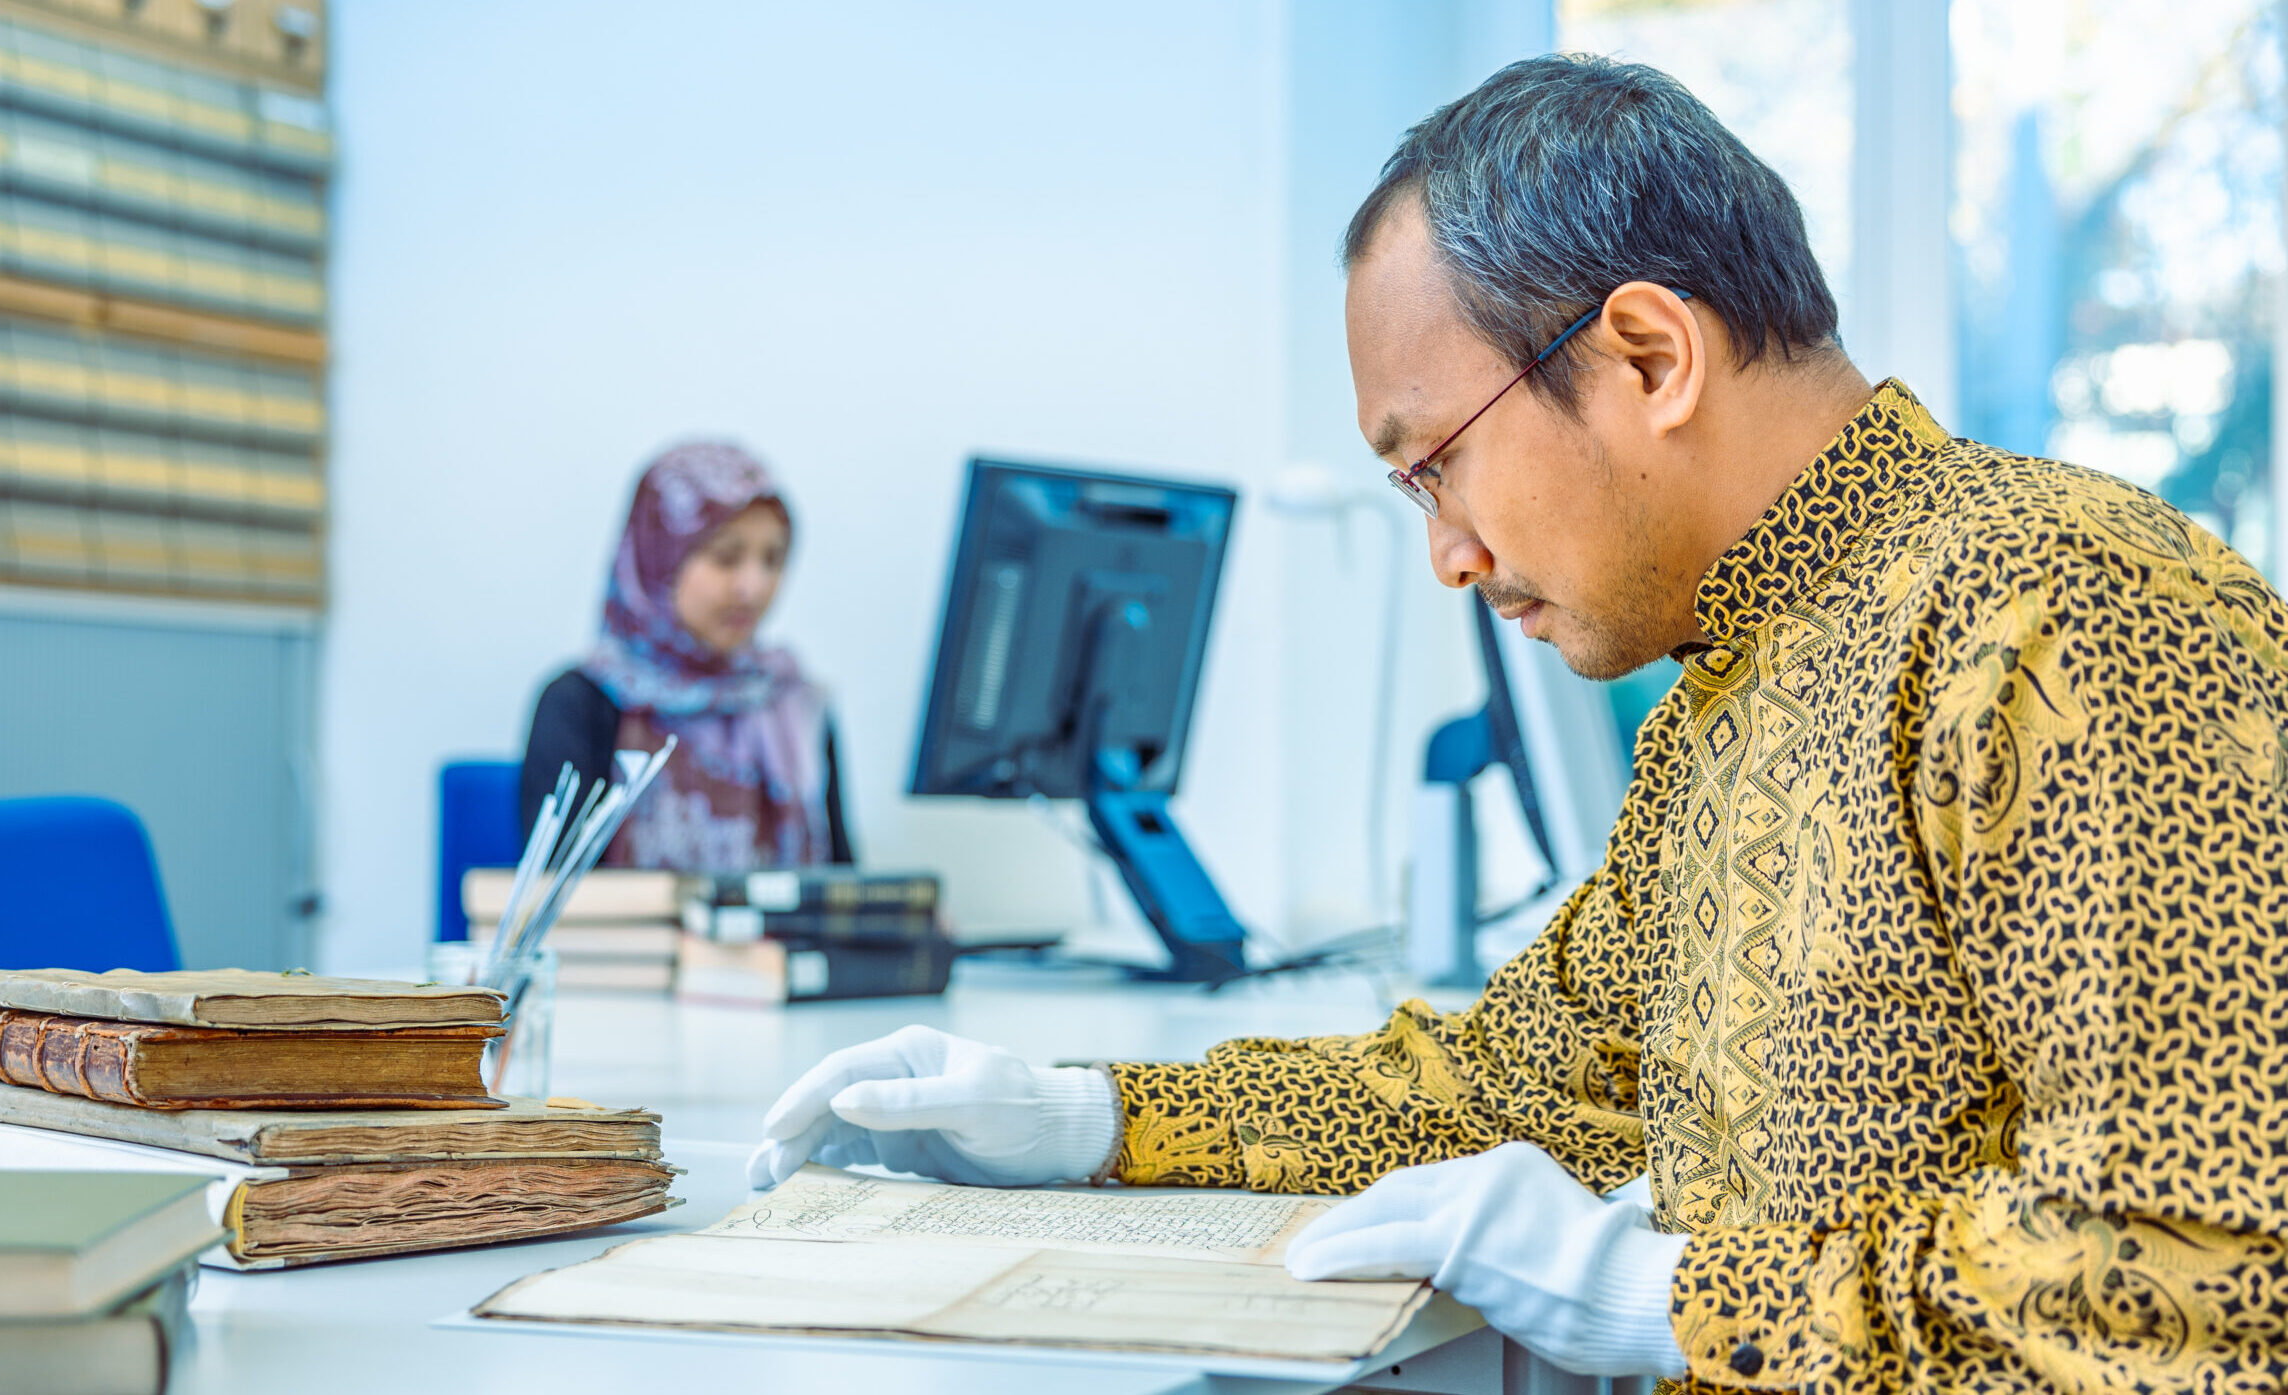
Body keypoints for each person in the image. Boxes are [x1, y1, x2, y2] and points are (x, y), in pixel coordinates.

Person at [748, 55, 2288, 1391]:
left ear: (1646, 356)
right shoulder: (1728, 683)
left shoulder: (2068, 616)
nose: (1449, 553)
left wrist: (1676, 1298)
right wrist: (1097, 1116)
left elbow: (2221, 1264)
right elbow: (1514, 1082)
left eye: (1436, 465)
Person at [520, 441, 853, 870]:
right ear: (658, 557)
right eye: (726, 558)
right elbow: (554, 903)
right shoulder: (583, 704)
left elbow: (844, 888)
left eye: (772, 559)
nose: (752, 587)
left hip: (780, 942)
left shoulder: (794, 702)